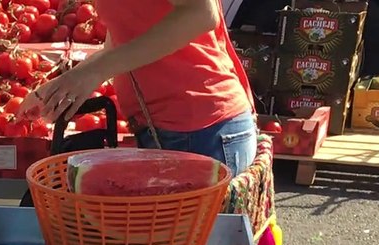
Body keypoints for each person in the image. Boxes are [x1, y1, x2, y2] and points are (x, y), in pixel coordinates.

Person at [20, 0, 258, 175]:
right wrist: (62, 85)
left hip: (201, 133)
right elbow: (121, 41)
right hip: (168, 130)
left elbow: (200, 13)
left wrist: (95, 72)